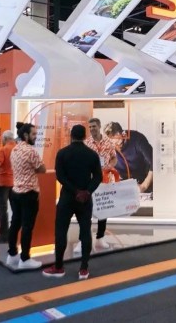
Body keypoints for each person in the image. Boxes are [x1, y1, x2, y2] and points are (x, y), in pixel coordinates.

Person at [43, 125, 102, 280]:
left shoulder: (62, 153)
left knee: (61, 230)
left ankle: (58, 266)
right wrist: (87, 192)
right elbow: (98, 177)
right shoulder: (92, 155)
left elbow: (60, 176)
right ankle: (84, 269)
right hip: (85, 200)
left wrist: (74, 191)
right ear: (84, 136)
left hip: (67, 198)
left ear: (71, 135)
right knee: (85, 231)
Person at [74, 118, 118, 255]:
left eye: (94, 126)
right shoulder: (86, 143)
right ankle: (82, 240)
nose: (92, 129)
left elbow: (114, 158)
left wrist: (109, 166)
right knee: (85, 211)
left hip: (105, 181)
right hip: (89, 181)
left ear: (99, 127)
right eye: (90, 127)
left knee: (103, 210)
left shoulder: (108, 142)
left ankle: (100, 238)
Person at [6, 124, 46, 269]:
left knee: (15, 223)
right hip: (29, 194)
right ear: (26, 135)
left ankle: (12, 255)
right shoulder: (31, 151)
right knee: (27, 226)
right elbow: (42, 169)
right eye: (34, 134)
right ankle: (25, 259)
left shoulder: (14, 149)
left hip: (15, 192)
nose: (36, 137)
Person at [104, 122, 153, 193]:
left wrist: (144, 186)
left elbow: (154, 163)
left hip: (144, 178)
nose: (116, 147)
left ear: (124, 134)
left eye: (119, 143)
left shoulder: (138, 139)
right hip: (123, 182)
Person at [0, 130, 16, 245]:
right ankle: (13, 232)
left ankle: (4, 235)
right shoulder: (18, 148)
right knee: (15, 209)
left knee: (2, 209)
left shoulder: (3, 150)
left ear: (5, 139)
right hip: (15, 182)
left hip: (3, 182)